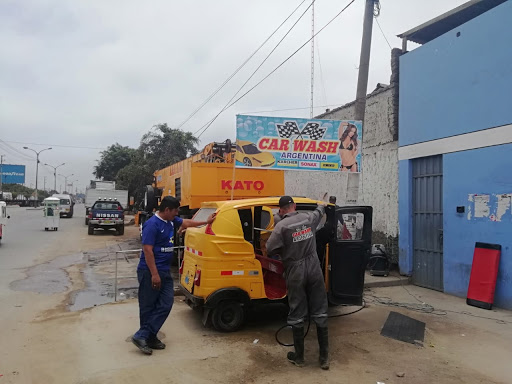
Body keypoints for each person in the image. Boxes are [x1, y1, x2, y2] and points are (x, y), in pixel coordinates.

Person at [131, 196, 216, 355]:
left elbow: (187, 223)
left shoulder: (171, 221)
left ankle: (145, 335)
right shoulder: (152, 225)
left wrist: (207, 222)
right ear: (167, 210)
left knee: (166, 303)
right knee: (148, 306)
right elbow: (147, 250)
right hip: (150, 271)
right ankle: (148, 337)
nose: (177, 214)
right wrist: (154, 274)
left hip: (164, 271)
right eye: (175, 211)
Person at [266, 196, 329, 370]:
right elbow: (319, 211)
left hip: (295, 271)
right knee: (320, 311)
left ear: (281, 210)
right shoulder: (309, 218)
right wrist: (322, 204)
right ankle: (324, 359)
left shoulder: (281, 227)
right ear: (294, 206)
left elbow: (270, 249)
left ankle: (299, 357)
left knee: (297, 312)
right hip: (314, 268)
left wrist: (284, 250)